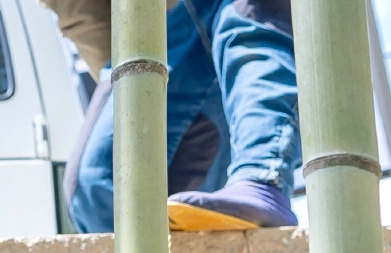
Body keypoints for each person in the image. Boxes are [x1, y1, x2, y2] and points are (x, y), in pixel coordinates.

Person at [49, 0, 302, 232]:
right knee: (103, 188)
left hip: (258, 18)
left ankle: (263, 178)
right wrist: (137, 73)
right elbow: (79, 8)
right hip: (164, 31)